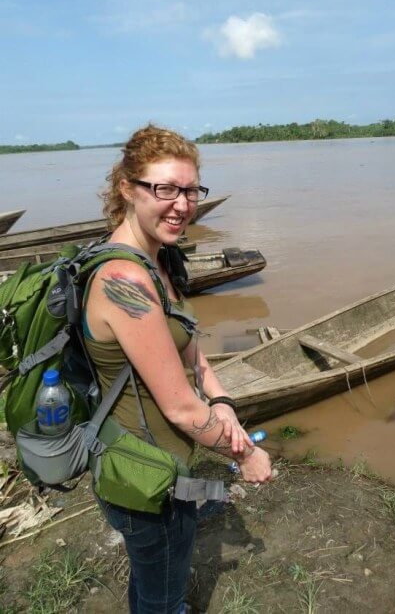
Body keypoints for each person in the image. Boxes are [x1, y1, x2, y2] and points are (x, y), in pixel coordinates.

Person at [83, 124, 273, 613]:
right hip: (144, 480)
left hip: (163, 469)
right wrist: (247, 454)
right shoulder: (124, 279)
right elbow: (183, 409)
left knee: (153, 583)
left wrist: (225, 402)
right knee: (164, 597)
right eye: (164, 189)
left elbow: (191, 351)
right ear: (128, 188)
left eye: (190, 190)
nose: (182, 204)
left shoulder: (157, 262)